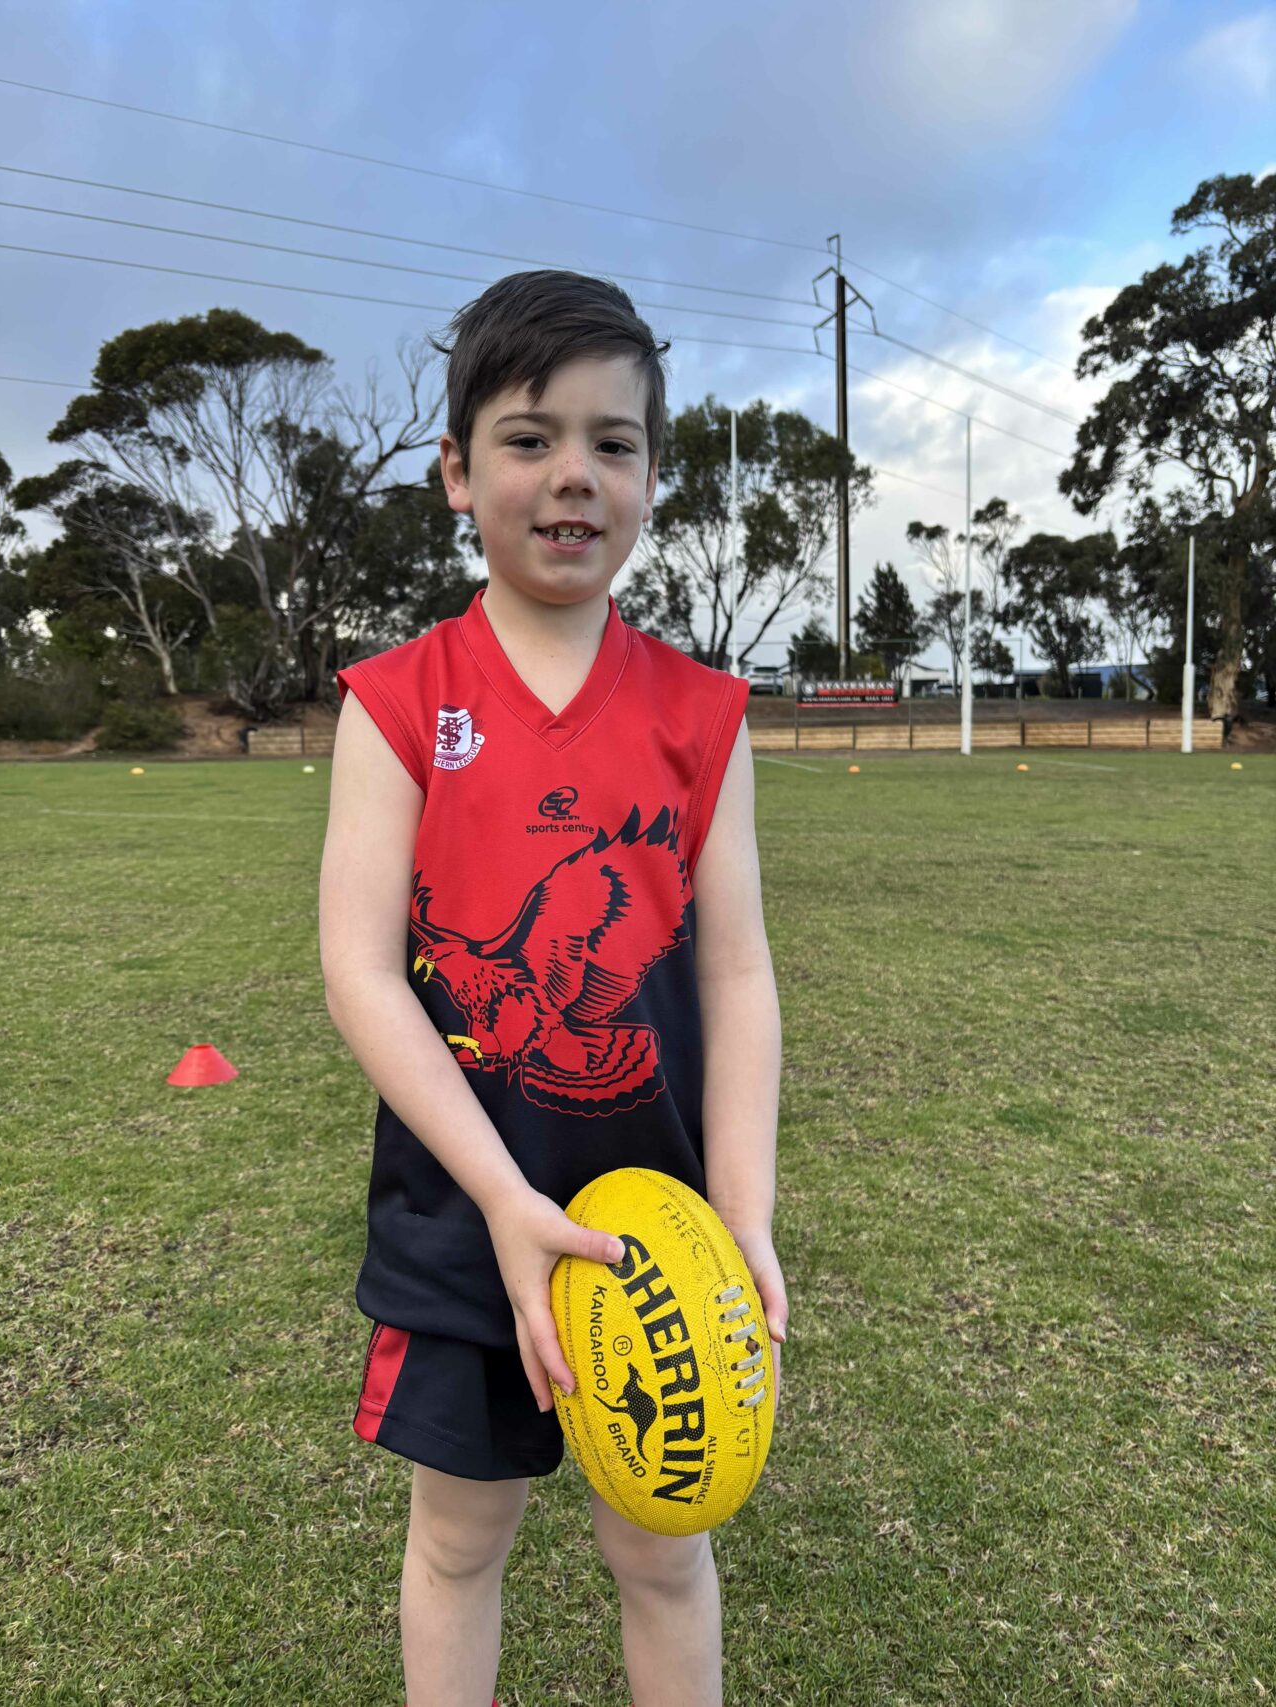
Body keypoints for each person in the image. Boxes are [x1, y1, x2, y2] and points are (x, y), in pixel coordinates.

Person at [319, 269, 787, 1707]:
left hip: (658, 1236)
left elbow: (738, 972)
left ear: (650, 478)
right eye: (530, 438)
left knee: (664, 1554)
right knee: (461, 1543)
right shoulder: (398, 702)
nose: (574, 472)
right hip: (470, 1217)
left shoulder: (703, 715)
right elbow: (359, 969)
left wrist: (743, 1215)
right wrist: (504, 1199)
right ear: (458, 472)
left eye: (613, 442)